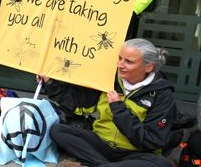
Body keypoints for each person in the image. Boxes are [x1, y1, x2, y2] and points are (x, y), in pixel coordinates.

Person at [42, 38, 175, 167]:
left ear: (148, 67)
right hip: (102, 143)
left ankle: (97, 163)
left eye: (129, 61)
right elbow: (79, 105)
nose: (120, 65)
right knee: (58, 131)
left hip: (136, 153)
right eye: (120, 58)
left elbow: (151, 141)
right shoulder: (110, 80)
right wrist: (51, 84)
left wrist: (119, 109)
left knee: (161, 163)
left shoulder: (162, 94)